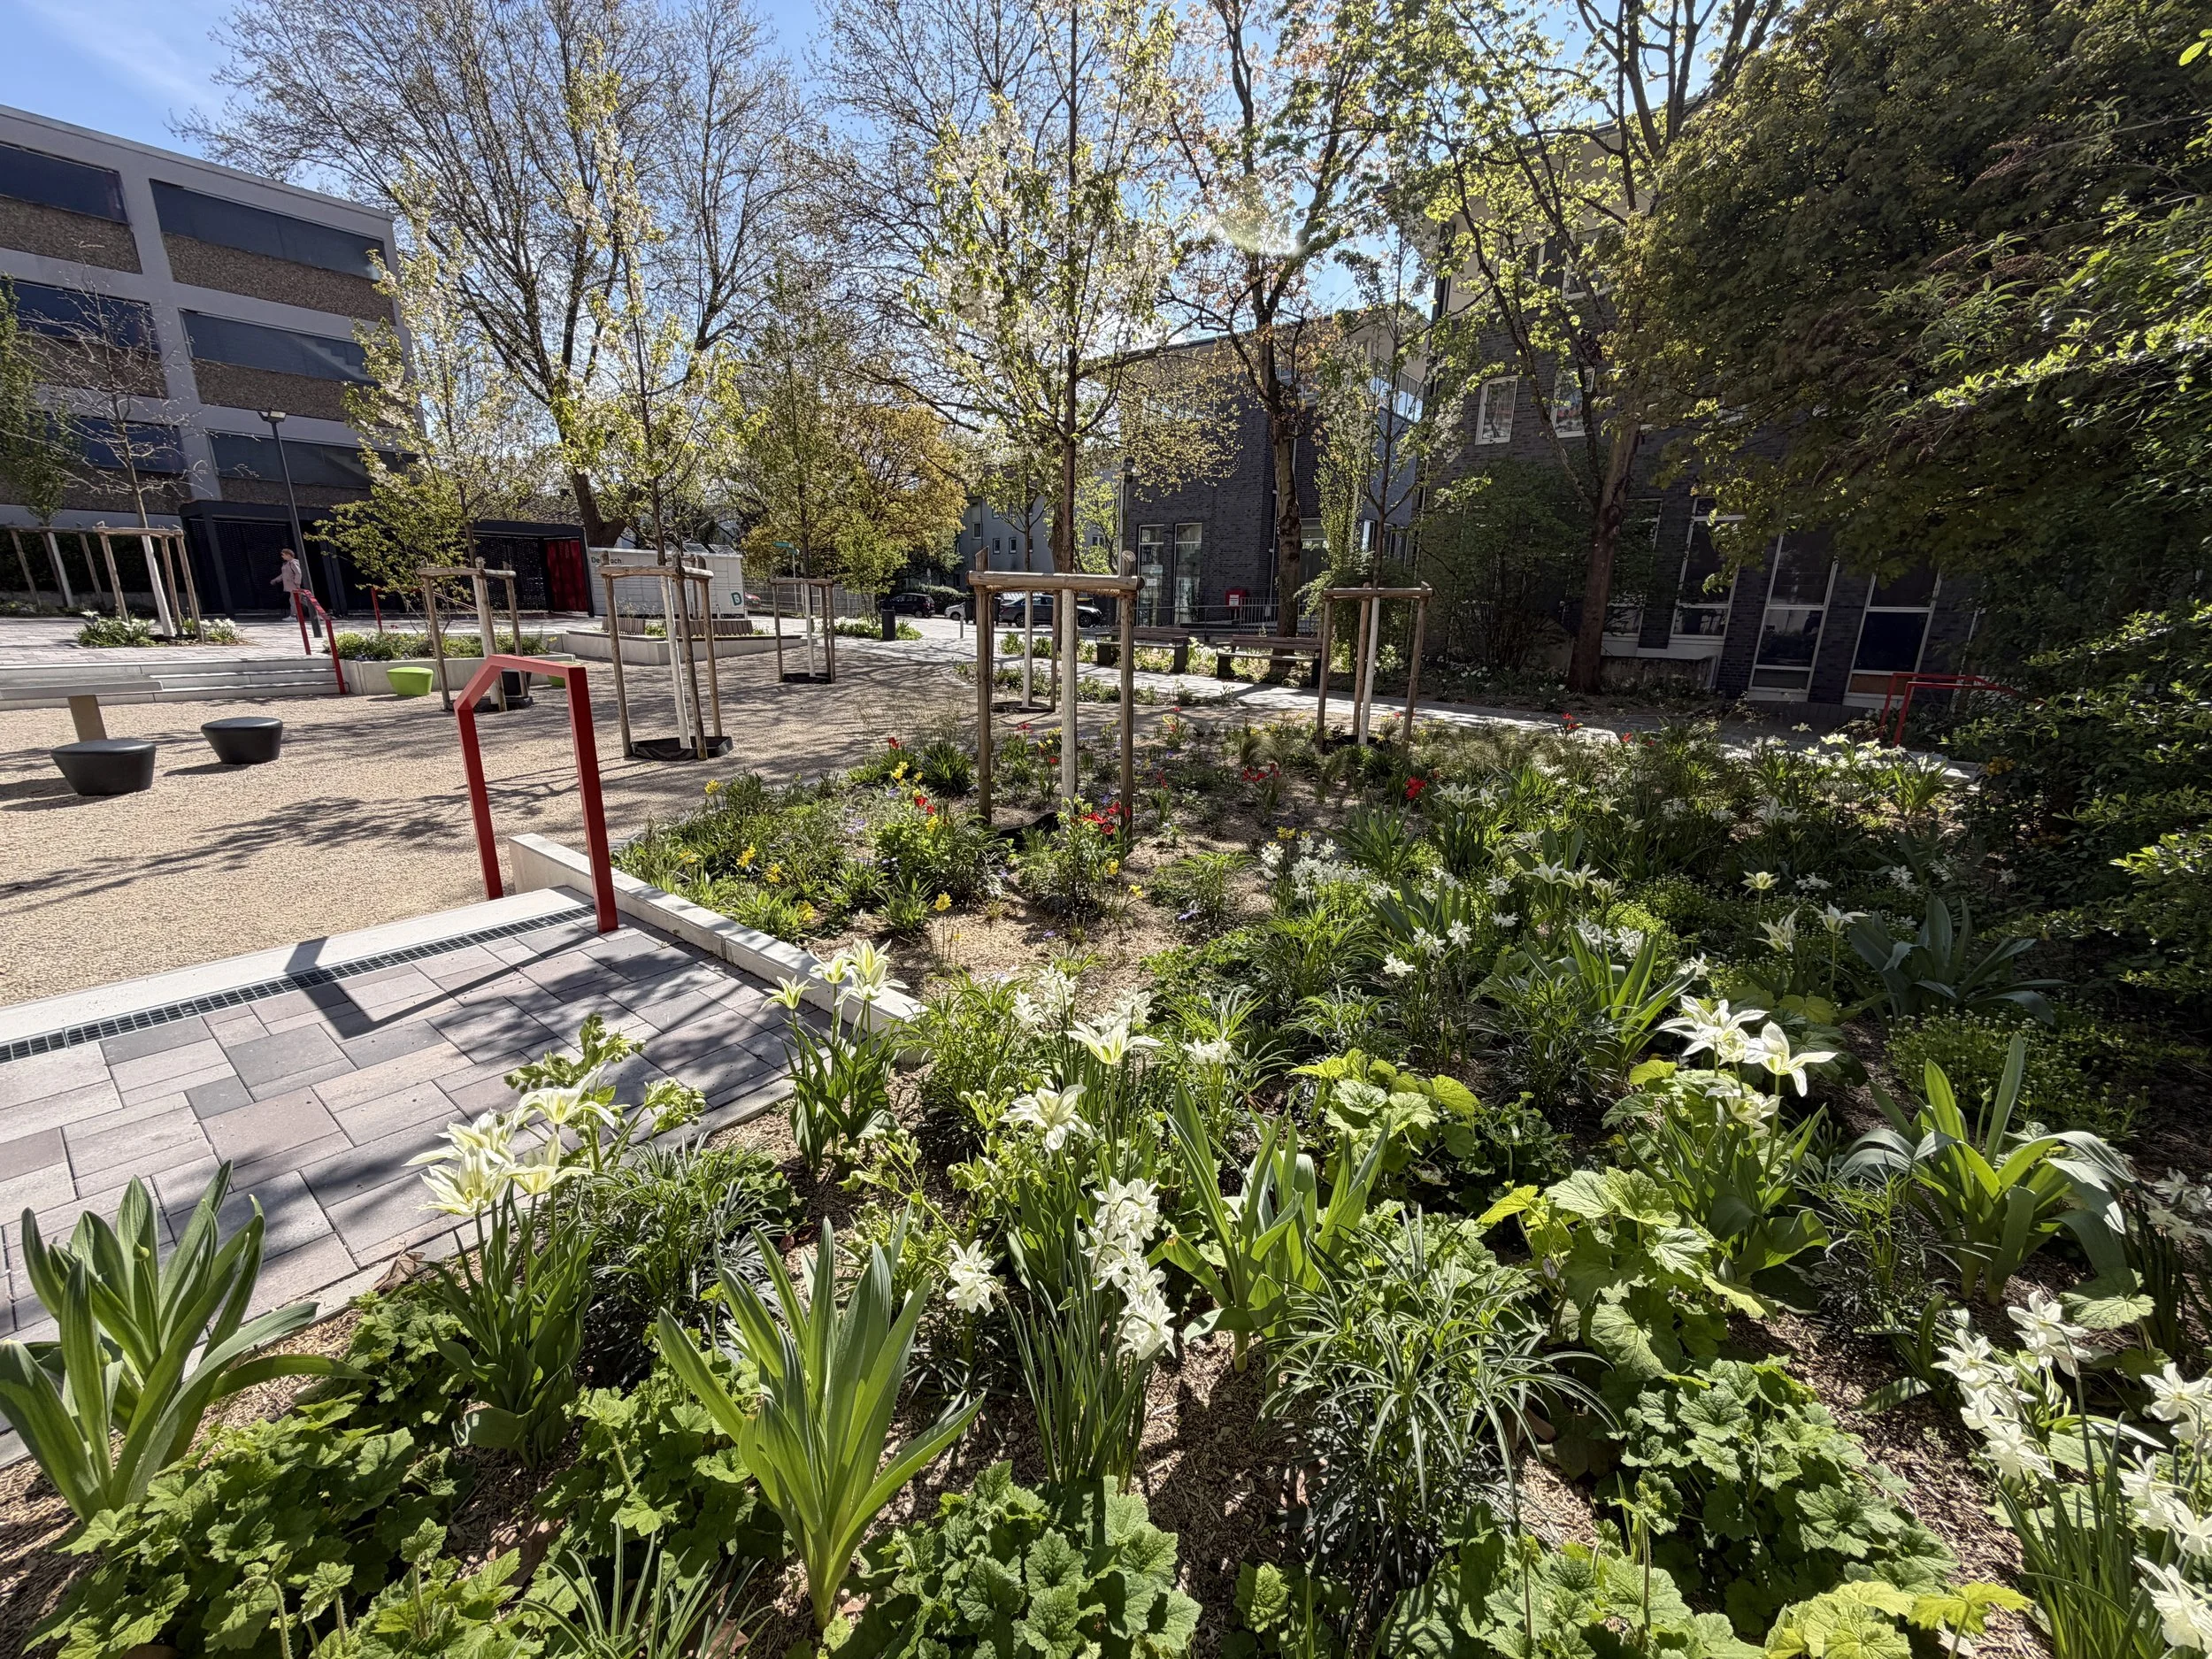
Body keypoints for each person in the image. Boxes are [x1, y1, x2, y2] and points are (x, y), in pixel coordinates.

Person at [273, 548, 319, 636]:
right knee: (301, 600)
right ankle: (316, 612)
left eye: (283, 554)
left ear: (288, 555)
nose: (282, 556)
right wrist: (276, 580)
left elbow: (298, 573)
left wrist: (297, 583)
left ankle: (294, 616)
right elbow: (284, 574)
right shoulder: (287, 564)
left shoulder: (293, 563)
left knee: (295, 600)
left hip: (293, 585)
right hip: (290, 585)